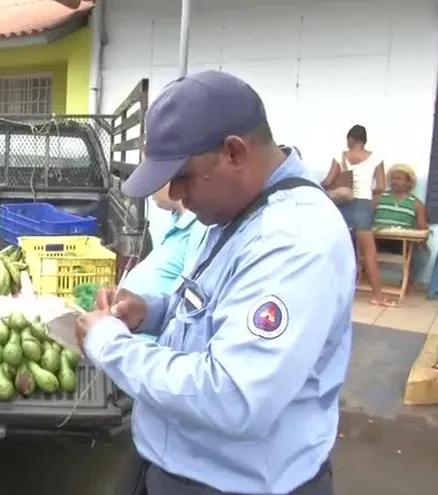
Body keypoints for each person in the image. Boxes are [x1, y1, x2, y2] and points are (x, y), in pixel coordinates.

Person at [76, 70, 353, 495]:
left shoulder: (293, 240)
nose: (176, 194)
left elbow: (233, 397)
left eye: (183, 175)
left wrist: (109, 344)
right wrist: (152, 311)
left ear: (234, 153)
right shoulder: (237, 210)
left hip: (230, 484)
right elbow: (212, 306)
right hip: (172, 462)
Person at [321, 125, 393, 307]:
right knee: (369, 254)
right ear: (364, 140)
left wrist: (318, 187)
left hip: (342, 206)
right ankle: (378, 296)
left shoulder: (341, 155)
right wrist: (370, 198)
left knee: (334, 250)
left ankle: (328, 292)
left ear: (350, 139)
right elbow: (381, 187)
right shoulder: (376, 158)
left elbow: (329, 181)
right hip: (363, 206)